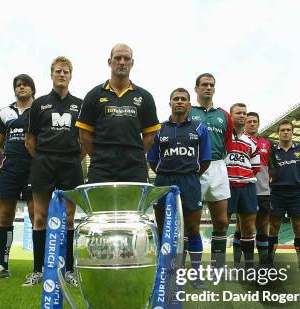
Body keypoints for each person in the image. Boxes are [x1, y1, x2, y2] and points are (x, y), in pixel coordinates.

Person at [25, 57, 83, 287]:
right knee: (40, 218)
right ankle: (37, 271)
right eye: (58, 71)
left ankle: (69, 271)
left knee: (69, 219)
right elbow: (30, 141)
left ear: (70, 75)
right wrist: (42, 159)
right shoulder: (39, 104)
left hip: (70, 164)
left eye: (66, 71)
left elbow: (85, 141)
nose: (62, 74)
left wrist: (72, 159)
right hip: (43, 164)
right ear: (51, 74)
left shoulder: (80, 104)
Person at [146, 88, 211, 288]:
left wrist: (190, 174)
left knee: (192, 229)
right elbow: (152, 160)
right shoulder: (159, 129)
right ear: (170, 103)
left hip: (190, 181)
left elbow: (206, 159)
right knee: (163, 228)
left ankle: (196, 274)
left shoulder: (200, 128)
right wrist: (166, 173)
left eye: (183, 99)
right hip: (164, 182)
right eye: (176, 99)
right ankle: (164, 271)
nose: (180, 102)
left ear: (189, 105)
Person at [76, 43, 160, 183]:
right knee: (100, 206)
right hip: (101, 168)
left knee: (133, 206)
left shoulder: (145, 96)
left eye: (126, 59)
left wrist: (134, 155)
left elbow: (150, 136)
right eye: (118, 58)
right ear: (110, 62)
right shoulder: (93, 95)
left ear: (132, 63)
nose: (122, 62)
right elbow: (84, 135)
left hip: (135, 168)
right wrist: (101, 156)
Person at [0, 74, 36, 281]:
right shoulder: (4, 112)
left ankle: (39, 268)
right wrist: (1, 166)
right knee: (5, 215)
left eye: (25, 84)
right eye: (17, 85)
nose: (21, 87)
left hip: (34, 168)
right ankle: (2, 266)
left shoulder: (41, 109)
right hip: (9, 169)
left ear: (32, 89)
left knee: (37, 217)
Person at [189, 73, 233, 269]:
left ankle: (218, 266)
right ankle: (193, 268)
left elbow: (228, 144)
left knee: (222, 221)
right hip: (194, 168)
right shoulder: (188, 111)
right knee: (191, 223)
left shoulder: (224, 115)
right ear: (196, 88)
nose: (208, 87)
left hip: (217, 167)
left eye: (211, 85)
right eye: (204, 85)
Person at [267, 120, 300, 274]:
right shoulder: (272, 151)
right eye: (282, 130)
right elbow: (266, 170)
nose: (286, 132)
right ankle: (269, 264)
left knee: (299, 228)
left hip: (296, 193)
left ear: (292, 132)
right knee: (273, 228)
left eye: (288, 129)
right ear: (278, 133)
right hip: (276, 194)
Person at [225, 103, 260, 270]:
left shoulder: (253, 142)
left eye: (244, 113)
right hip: (226, 185)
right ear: (231, 116)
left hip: (247, 186)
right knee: (221, 225)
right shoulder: (223, 136)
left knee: (247, 227)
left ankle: (249, 265)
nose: (242, 115)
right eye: (238, 112)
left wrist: (243, 176)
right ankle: (220, 265)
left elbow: (256, 168)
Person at [247, 111, 272, 265]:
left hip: (263, 191)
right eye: (249, 121)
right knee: (243, 227)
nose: (251, 124)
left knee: (263, 226)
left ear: (258, 123)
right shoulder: (238, 141)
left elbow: (273, 167)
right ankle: (244, 263)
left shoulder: (267, 143)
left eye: (254, 121)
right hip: (245, 190)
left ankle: (263, 263)